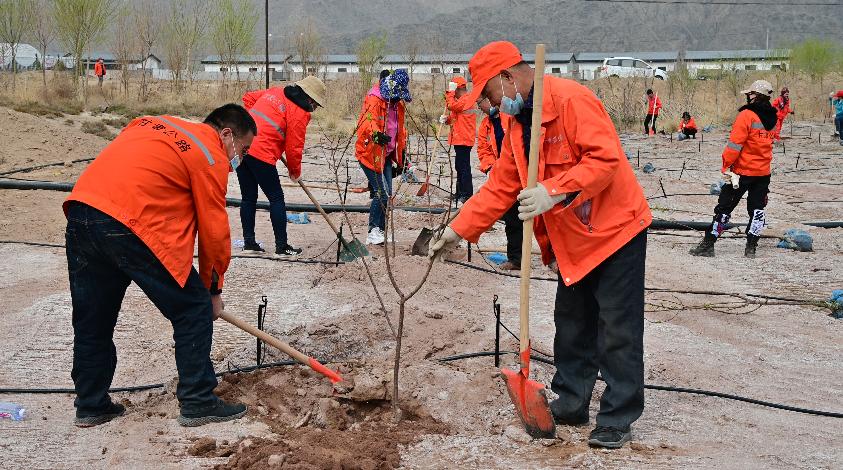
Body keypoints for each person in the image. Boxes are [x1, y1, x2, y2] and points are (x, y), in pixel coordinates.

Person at [429, 41, 652, 449]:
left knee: (617, 328)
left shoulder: (571, 101)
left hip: (615, 230)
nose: (488, 106)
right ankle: (571, 401)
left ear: (508, 78)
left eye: (489, 95)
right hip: (573, 240)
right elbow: (500, 187)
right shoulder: (518, 126)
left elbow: (605, 161)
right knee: (572, 324)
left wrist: (553, 191)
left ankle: (618, 416)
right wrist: (458, 230)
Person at [64, 104, 256, 428]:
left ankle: (91, 405)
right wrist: (212, 290)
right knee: (193, 307)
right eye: (244, 148)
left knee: (92, 320)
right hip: (131, 223)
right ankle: (198, 400)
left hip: (83, 213)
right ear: (226, 134)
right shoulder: (209, 154)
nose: (242, 158)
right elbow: (213, 230)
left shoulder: (151, 124)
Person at [238, 76, 326, 256]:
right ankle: (282, 246)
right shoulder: (300, 113)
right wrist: (295, 172)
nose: (314, 108)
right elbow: (294, 147)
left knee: (248, 198)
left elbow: (248, 98)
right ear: (309, 99)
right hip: (261, 152)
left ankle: (249, 242)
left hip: (241, 146)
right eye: (315, 104)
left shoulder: (275, 91)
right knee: (276, 199)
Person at [689, 80, 777, 259]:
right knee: (757, 210)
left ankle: (708, 244)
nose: (747, 97)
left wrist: (726, 165)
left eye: (750, 94)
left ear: (754, 96)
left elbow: (735, 145)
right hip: (763, 172)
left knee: (724, 208)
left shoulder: (747, 115)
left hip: (742, 171)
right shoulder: (773, 118)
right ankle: (751, 248)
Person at [355, 69, 410, 245]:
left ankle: (382, 230)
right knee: (381, 193)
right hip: (370, 153)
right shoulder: (375, 99)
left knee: (388, 194)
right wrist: (376, 135)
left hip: (386, 155)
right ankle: (373, 231)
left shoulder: (397, 104)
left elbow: (400, 131)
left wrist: (401, 155)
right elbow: (367, 123)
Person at [476, 97, 521, 270]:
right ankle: (516, 259)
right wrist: (490, 169)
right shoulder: (485, 125)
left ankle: (554, 257)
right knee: (512, 219)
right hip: (504, 177)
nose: (480, 107)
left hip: (523, 171)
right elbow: (483, 150)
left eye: (481, 103)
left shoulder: (510, 116)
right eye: (478, 105)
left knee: (545, 218)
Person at [440, 76, 478, 203]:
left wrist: (449, 94)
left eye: (453, 90)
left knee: (463, 167)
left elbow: (452, 106)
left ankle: (467, 194)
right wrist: (447, 120)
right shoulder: (460, 101)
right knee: (459, 166)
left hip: (464, 139)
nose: (453, 93)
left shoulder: (467, 99)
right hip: (460, 138)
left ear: (458, 88)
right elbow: (455, 116)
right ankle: (459, 193)